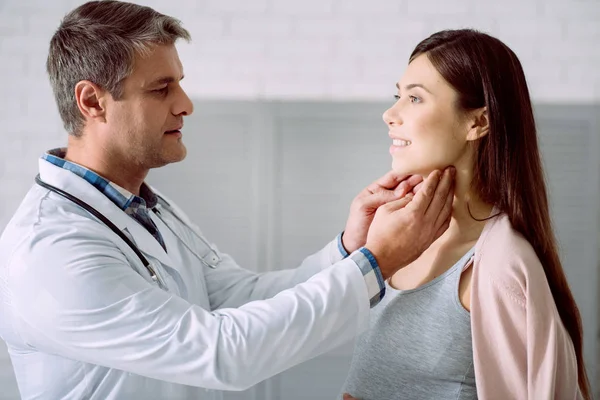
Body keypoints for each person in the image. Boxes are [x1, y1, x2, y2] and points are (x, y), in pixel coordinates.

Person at [0, 2, 456, 399]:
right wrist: (377, 263)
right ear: (92, 102)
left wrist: (350, 249)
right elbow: (222, 350)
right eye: (161, 89)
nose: (185, 104)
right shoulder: (52, 250)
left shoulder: (143, 208)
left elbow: (237, 298)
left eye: (179, 83)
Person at [340, 28, 592, 400]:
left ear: (478, 123)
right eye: (398, 95)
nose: (390, 113)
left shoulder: (501, 264)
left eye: (414, 98)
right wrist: (353, 248)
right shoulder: (395, 232)